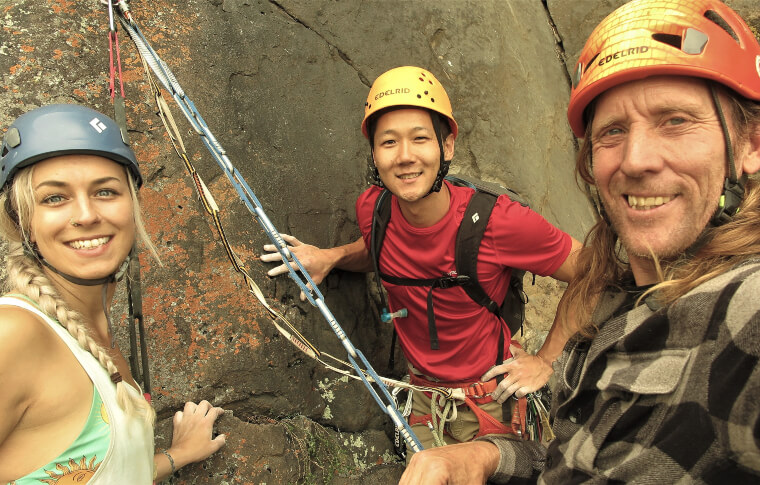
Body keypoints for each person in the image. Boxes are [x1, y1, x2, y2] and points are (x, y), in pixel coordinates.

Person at [399, 0, 760, 482]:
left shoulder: (742, 314)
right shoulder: (617, 308)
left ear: (751, 143)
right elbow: (572, 461)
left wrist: (545, 359)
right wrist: (484, 457)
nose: (636, 159)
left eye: (675, 120)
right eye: (612, 131)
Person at [261, 65, 582, 453]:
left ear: (446, 147)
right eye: (389, 142)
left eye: (420, 139)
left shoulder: (498, 222)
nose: (406, 157)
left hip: (489, 400)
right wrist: (329, 258)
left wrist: (547, 359)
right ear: (375, 155)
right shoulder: (373, 210)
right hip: (420, 398)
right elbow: (380, 251)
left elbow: (593, 270)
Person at [0, 104, 226, 484]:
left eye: (105, 191)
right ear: (22, 221)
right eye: (55, 198)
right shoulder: (14, 334)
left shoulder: (93, 337)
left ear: (132, 208)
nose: (86, 215)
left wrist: (177, 455)